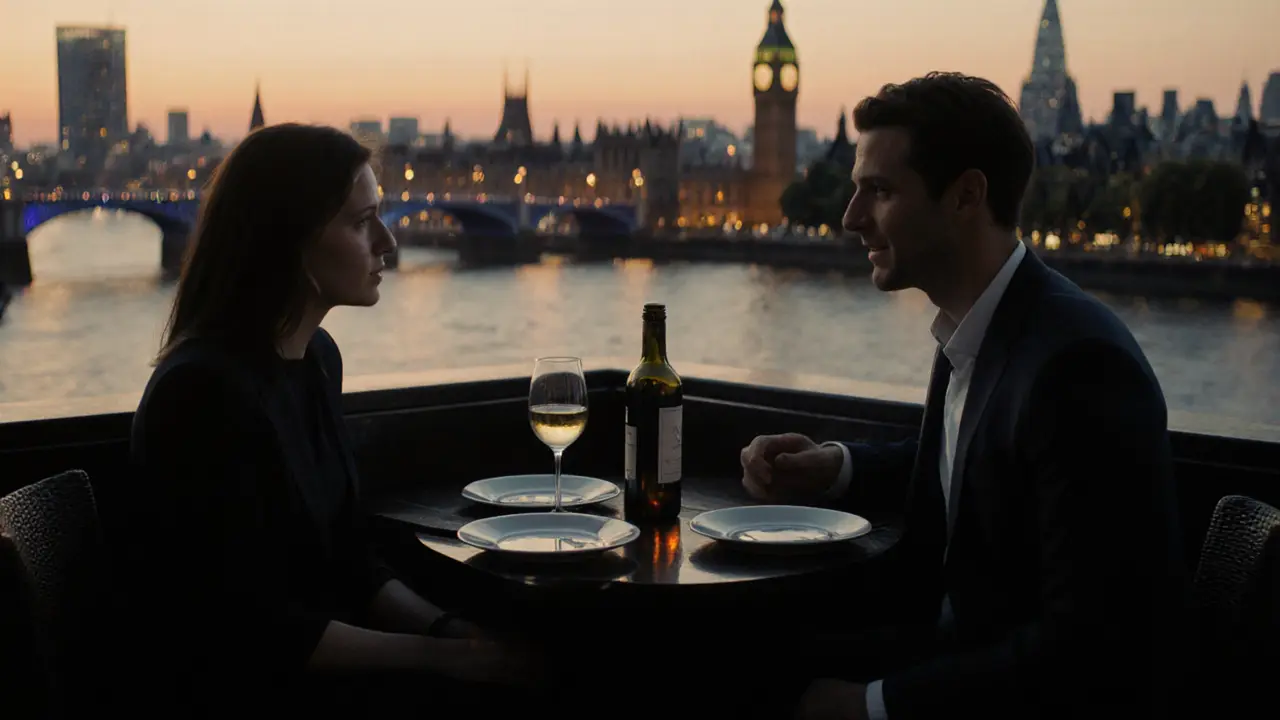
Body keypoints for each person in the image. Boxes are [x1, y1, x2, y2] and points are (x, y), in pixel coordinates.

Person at [739, 73, 1188, 719]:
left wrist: (870, 706)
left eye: (880, 191)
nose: (851, 217)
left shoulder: (1081, 367)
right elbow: (977, 465)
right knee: (736, 648)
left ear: (966, 196)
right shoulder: (986, 324)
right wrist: (837, 467)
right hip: (964, 648)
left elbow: (1091, 648)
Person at [126, 124, 544, 717]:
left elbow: (349, 562)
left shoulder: (317, 359)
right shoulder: (199, 394)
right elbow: (251, 630)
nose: (388, 241)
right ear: (290, 241)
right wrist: (444, 660)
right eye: (362, 221)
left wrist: (448, 630)